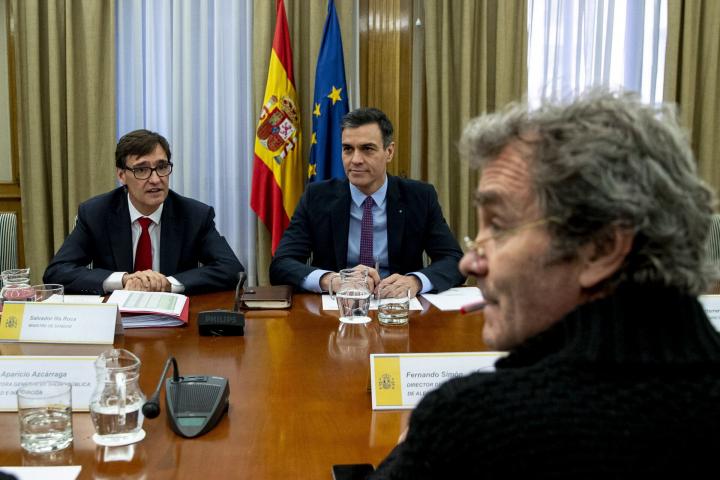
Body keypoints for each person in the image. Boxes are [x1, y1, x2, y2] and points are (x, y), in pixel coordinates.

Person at [370, 89, 720, 478]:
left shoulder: (480, 425)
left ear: (601, 248)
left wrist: (410, 454)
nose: (471, 261)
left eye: (498, 226)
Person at [269, 108, 464, 296]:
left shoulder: (419, 197)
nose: (355, 160)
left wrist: (415, 282)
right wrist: (332, 281)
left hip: (398, 307)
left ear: (389, 152)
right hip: (337, 308)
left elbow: (454, 260)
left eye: (367, 149)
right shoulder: (317, 197)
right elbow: (281, 264)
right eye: (348, 149)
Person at [43, 129, 242, 295]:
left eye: (162, 167)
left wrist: (169, 284)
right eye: (141, 170)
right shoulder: (96, 213)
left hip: (175, 321)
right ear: (122, 175)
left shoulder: (194, 215)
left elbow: (232, 269)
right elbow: (57, 272)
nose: (155, 179)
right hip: (116, 319)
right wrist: (123, 280)